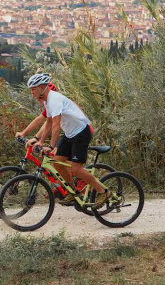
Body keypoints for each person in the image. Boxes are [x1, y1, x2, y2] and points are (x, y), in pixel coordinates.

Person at [25, 73, 109, 207]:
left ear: (41, 87)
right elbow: (48, 122)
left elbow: (56, 126)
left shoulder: (55, 99)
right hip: (70, 134)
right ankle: (74, 192)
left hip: (81, 132)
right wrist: (40, 141)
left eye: (33, 89)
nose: (31, 92)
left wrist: (51, 146)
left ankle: (103, 191)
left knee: (75, 168)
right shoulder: (47, 101)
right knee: (57, 164)